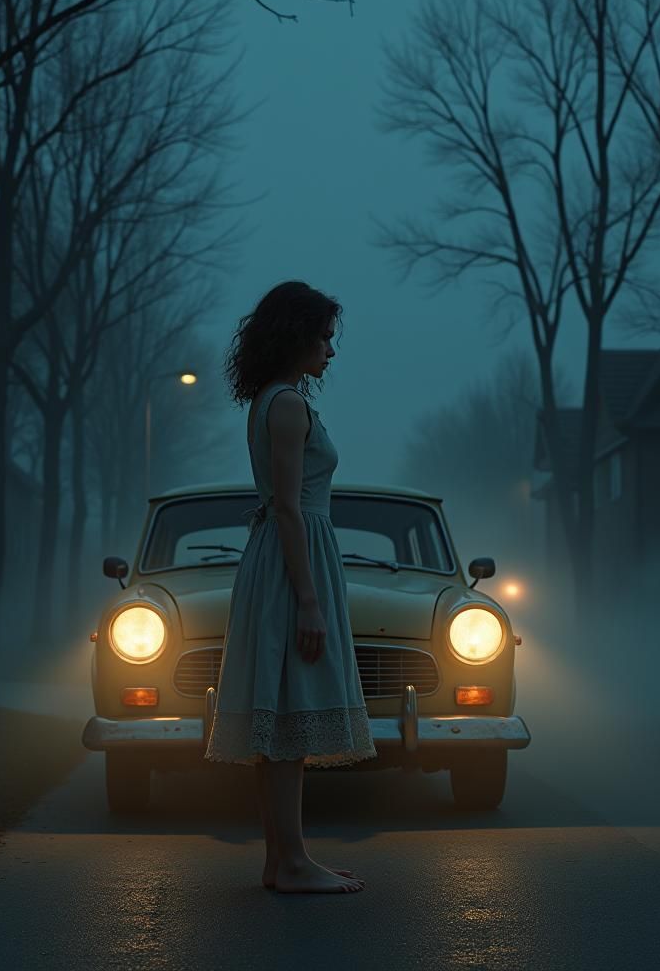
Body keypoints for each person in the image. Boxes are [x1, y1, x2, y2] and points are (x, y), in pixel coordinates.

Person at [204, 280, 377, 894]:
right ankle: (294, 861)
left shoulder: (277, 400)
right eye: (323, 337)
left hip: (287, 558)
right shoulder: (285, 405)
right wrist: (308, 600)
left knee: (282, 715)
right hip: (290, 564)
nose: (331, 349)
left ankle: (282, 860)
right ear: (296, 336)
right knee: (291, 709)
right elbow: (286, 506)